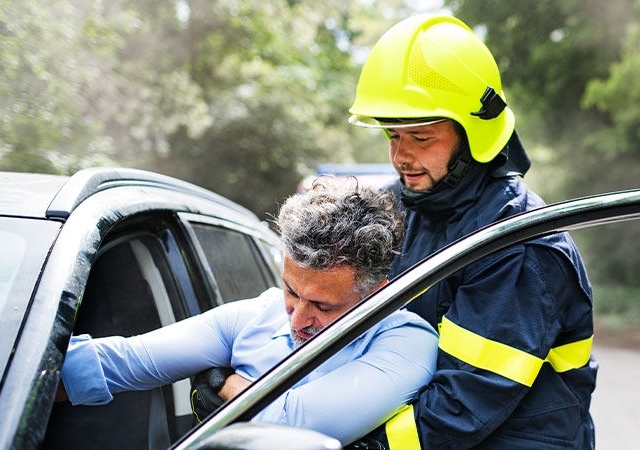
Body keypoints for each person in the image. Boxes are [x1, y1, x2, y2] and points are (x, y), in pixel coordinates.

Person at [347, 14, 597, 450]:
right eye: (392, 135)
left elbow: (463, 403)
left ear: (474, 135)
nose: (400, 156)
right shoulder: (405, 209)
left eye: (421, 138)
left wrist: (361, 445)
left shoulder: (518, 244)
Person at [56, 177, 439, 445]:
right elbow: (119, 361)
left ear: (377, 296)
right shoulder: (256, 315)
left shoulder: (407, 341)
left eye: (323, 305)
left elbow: (294, 427)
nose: (297, 317)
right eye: (291, 291)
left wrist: (224, 384)